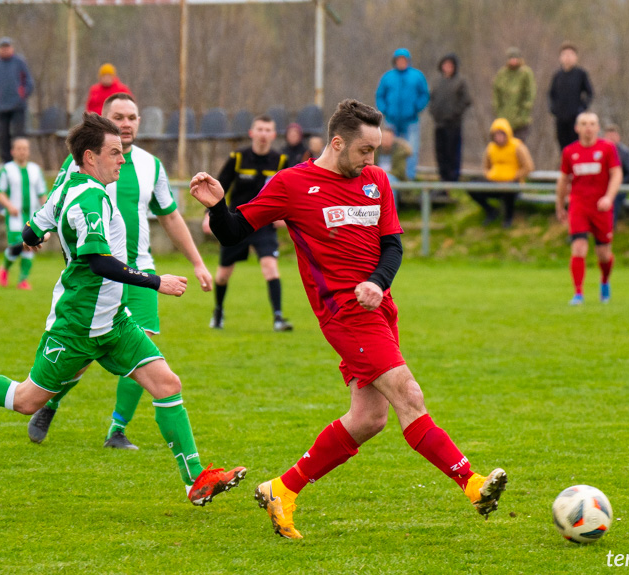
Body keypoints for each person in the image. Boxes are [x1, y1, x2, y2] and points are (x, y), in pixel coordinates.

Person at [190, 99, 507, 540]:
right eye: (364, 150)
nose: (372, 160)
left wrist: (378, 282)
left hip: (380, 310)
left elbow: (393, 246)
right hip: (344, 315)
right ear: (337, 143)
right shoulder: (292, 184)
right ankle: (472, 484)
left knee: (368, 417)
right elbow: (232, 232)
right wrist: (218, 206)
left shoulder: (376, 181)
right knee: (408, 394)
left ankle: (283, 487)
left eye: (376, 150)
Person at [0, 112, 245, 506]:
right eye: (114, 153)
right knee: (27, 400)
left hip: (113, 323)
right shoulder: (89, 199)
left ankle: (195, 480)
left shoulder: (68, 187)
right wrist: (156, 281)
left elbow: (32, 229)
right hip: (76, 326)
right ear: (89, 157)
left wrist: (38, 235)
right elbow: (99, 262)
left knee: (168, 384)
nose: (121, 159)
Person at [26, 92, 213, 450]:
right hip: (95, 274)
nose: (126, 123)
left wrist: (197, 262)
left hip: (138, 267)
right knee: (81, 357)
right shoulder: (80, 163)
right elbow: (55, 203)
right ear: (106, 120)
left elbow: (170, 216)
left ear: (139, 122)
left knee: (144, 347)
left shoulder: (151, 166)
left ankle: (117, 429)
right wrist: (38, 232)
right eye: (119, 116)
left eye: (132, 116)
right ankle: (49, 402)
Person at [203, 114, 292, 332]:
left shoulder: (281, 161)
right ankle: (218, 311)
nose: (263, 134)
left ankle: (278, 318)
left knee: (270, 268)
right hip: (237, 223)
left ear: (273, 135)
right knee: (223, 274)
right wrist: (209, 214)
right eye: (259, 129)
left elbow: (290, 192)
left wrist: (287, 215)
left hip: (264, 225)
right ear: (252, 133)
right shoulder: (238, 157)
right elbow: (220, 186)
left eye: (267, 130)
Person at [555, 112, 622, 305]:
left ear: (598, 127)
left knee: (604, 254)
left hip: (601, 207)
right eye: (584, 124)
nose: (588, 128)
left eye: (592, 124)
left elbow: (616, 174)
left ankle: (604, 281)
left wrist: (609, 197)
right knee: (578, 247)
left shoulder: (607, 148)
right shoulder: (569, 152)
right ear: (577, 128)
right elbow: (563, 180)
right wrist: (560, 205)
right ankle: (578, 293)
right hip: (579, 205)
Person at [0, 137, 46, 290]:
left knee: (30, 245)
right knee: (17, 244)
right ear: (13, 151)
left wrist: (48, 210)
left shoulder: (35, 170)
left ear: (29, 152)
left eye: (25, 148)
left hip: (31, 216)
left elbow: (42, 193)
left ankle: (23, 280)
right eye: (19, 148)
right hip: (14, 217)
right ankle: (5, 266)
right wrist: (9, 206)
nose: (22, 151)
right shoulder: (7, 170)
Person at [375, 48, 429, 181]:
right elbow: (380, 95)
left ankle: (409, 176)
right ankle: (392, 175)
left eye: (404, 60)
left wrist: (416, 108)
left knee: (412, 149)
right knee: (390, 147)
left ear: (408, 61)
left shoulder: (417, 76)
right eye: (399, 60)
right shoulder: (388, 77)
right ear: (395, 61)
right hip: (392, 121)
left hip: (411, 120)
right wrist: (385, 109)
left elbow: (424, 94)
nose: (401, 62)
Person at [469, 118, 534, 228]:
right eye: (496, 134)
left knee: (508, 190)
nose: (498, 137)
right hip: (494, 181)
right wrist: (489, 175)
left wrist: (514, 176)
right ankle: (491, 211)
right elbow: (485, 167)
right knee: (472, 184)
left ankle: (508, 218)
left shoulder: (517, 146)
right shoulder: (491, 148)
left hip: (511, 183)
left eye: (501, 134)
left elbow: (528, 166)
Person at [0, 37, 34, 163]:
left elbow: (29, 82)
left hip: (18, 106)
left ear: (11, 48)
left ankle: (21, 161)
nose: (5, 49)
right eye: (2, 47)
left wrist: (22, 95)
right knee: (2, 136)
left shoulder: (19, 62)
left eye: (7, 47)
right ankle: (6, 163)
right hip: (1, 106)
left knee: (19, 135)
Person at [429, 53, 472, 183]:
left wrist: (454, 113)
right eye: (445, 65)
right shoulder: (437, 82)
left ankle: (453, 178)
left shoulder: (460, 81)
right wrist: (434, 112)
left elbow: (466, 100)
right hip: (439, 123)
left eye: (450, 65)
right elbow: (432, 99)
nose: (447, 67)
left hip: (453, 124)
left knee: (452, 152)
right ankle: (443, 176)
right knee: (440, 151)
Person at [548, 42, 594, 151]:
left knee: (576, 145)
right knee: (563, 146)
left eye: (570, 54)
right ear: (560, 57)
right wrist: (553, 109)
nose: (567, 57)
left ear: (575, 57)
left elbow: (590, 93)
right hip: (560, 117)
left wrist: (582, 109)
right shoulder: (557, 75)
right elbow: (551, 94)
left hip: (575, 118)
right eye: (564, 54)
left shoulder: (580, 74)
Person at [492, 47, 536, 141]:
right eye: (511, 58)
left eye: (516, 58)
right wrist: (499, 113)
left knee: (518, 148)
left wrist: (523, 115)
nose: (513, 61)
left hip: (521, 121)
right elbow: (496, 94)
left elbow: (530, 95)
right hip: (504, 120)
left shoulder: (525, 73)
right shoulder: (502, 74)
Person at [603, 123, 629, 222]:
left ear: (618, 137)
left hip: (620, 187)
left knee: (613, 197)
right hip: (602, 186)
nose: (611, 139)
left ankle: (610, 225)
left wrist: (616, 183)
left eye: (613, 136)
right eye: (609, 136)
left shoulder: (624, 153)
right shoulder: (600, 152)